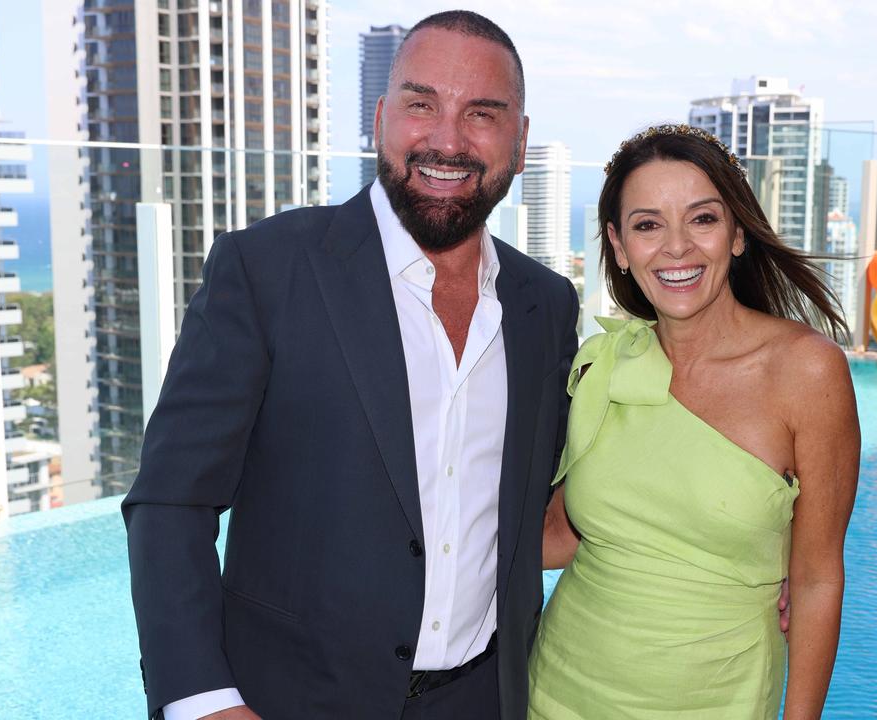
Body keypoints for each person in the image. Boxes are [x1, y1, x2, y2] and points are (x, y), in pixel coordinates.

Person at [123, 11, 579, 720]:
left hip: (484, 700)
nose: (447, 139)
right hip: (287, 703)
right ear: (380, 119)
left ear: (520, 142)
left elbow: (550, 509)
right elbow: (170, 500)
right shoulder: (266, 270)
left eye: (482, 114)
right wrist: (202, 700)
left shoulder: (547, 307)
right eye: (421, 104)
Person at [530, 124, 860, 719]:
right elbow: (560, 533)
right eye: (648, 225)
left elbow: (815, 579)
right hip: (557, 691)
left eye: (702, 219)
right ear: (619, 246)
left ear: (736, 234)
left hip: (720, 701)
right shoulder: (601, 366)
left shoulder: (807, 373)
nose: (676, 247)